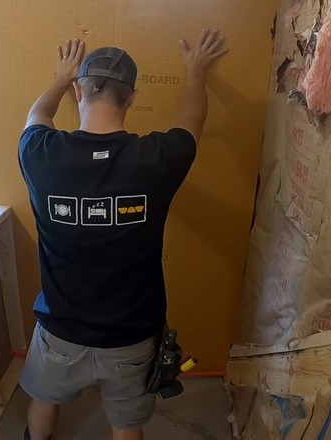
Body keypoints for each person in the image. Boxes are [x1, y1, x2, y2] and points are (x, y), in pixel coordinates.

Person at [17, 29, 228, 440]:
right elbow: (192, 122)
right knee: (126, 425)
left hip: (60, 330)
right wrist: (196, 72)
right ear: (131, 97)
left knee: (44, 402)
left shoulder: (40, 154)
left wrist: (60, 79)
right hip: (131, 337)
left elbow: (35, 117)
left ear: (80, 93)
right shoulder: (157, 159)